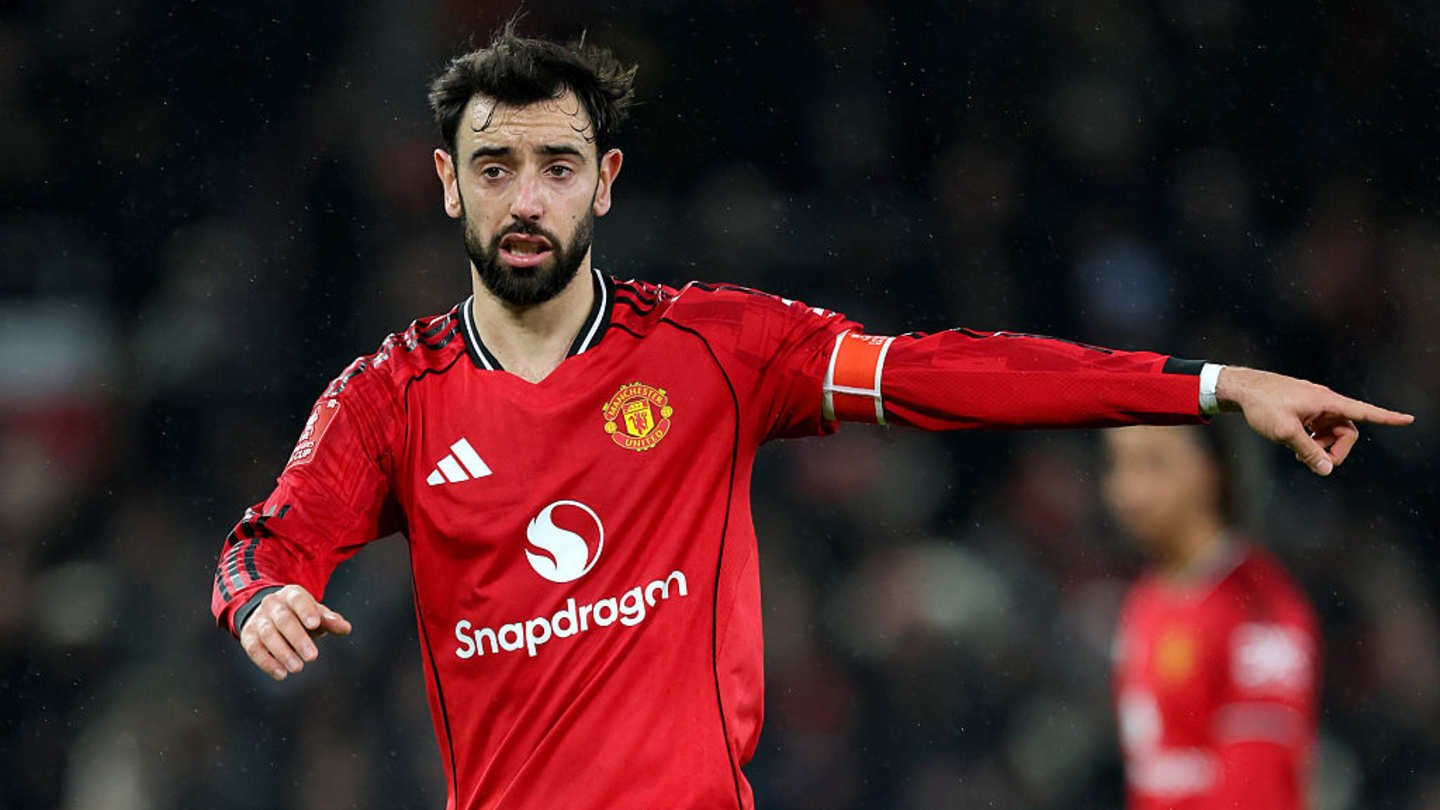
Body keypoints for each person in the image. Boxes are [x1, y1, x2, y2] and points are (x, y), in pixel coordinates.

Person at [209, 25, 1410, 810]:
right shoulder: (389, 397)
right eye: (496, 165)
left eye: (559, 165)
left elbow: (955, 371)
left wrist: (1208, 383)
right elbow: (273, 535)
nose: (528, 199)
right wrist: (260, 594)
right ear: (444, 182)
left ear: (608, 181)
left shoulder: (712, 351)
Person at [1103, 425, 1318, 809]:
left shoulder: (1256, 606)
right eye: (1119, 465)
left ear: (1210, 470)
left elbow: (1258, 787)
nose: (1128, 490)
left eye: (1154, 464)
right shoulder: (1143, 598)